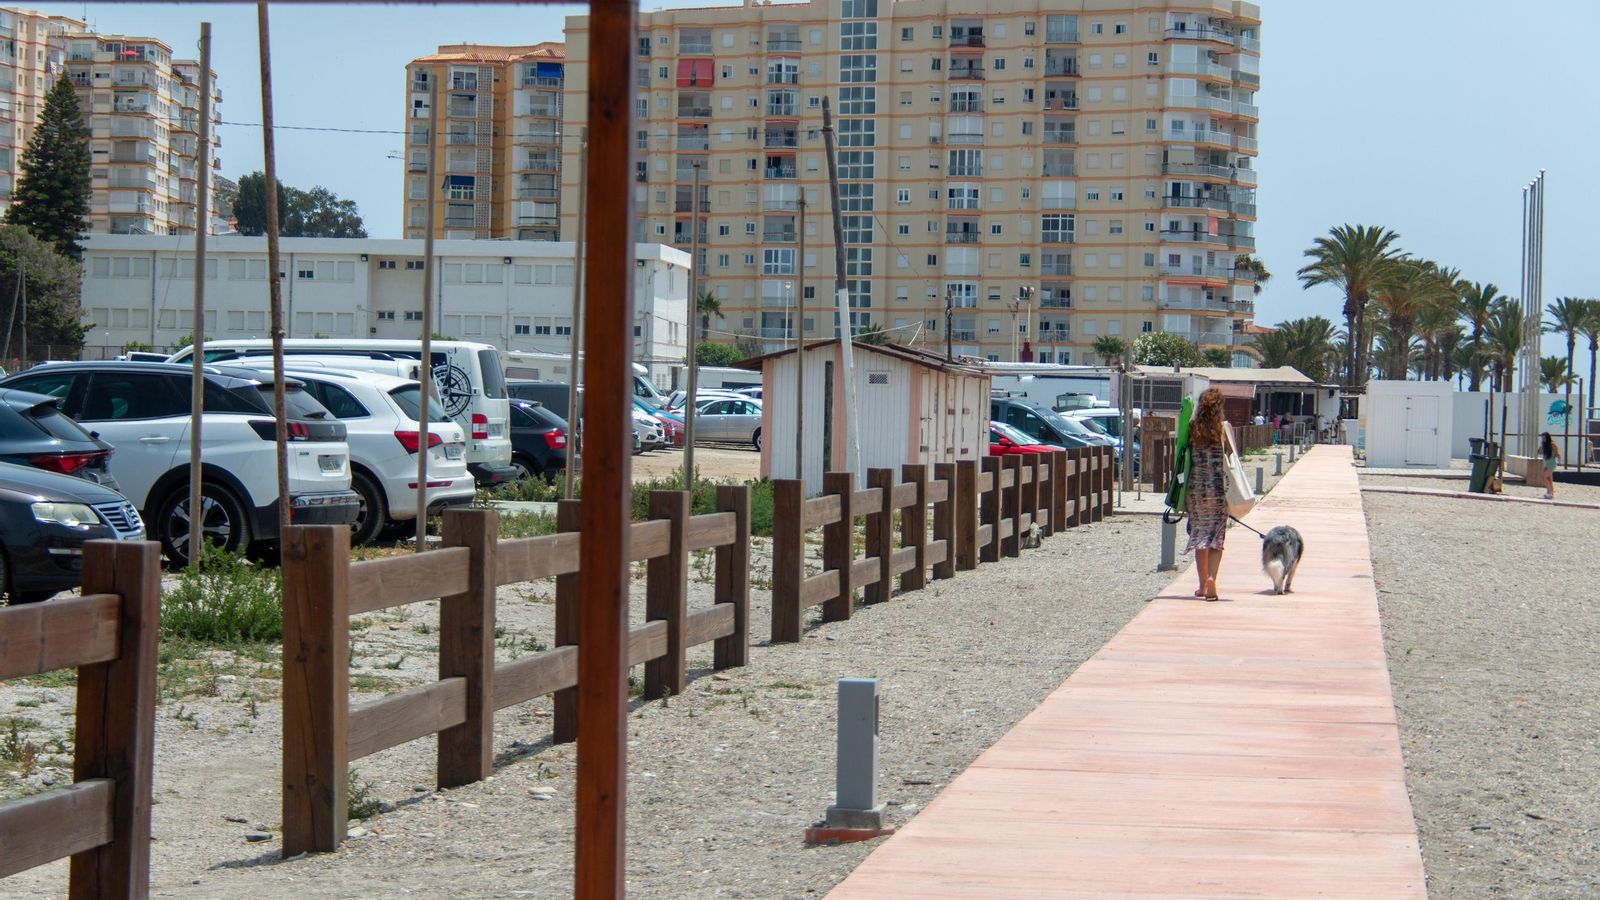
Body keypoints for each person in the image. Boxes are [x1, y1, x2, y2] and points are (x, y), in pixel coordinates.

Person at [1186, 387, 1235, 600]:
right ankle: (1212, 578)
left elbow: (1183, 452)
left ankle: (1202, 585)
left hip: (1197, 490)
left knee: (1200, 537)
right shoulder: (1223, 428)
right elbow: (1233, 455)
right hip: (1218, 489)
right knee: (1217, 537)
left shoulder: (1192, 428)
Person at [1539, 432, 1560, 500]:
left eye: (1544, 438)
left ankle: (1550, 492)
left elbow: (1557, 454)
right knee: (1549, 479)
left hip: (1551, 463)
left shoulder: (1552, 444)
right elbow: (1539, 451)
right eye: (1542, 438)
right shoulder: (1544, 445)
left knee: (1543, 477)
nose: (1543, 439)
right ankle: (1550, 493)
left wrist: (1559, 462)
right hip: (1546, 462)